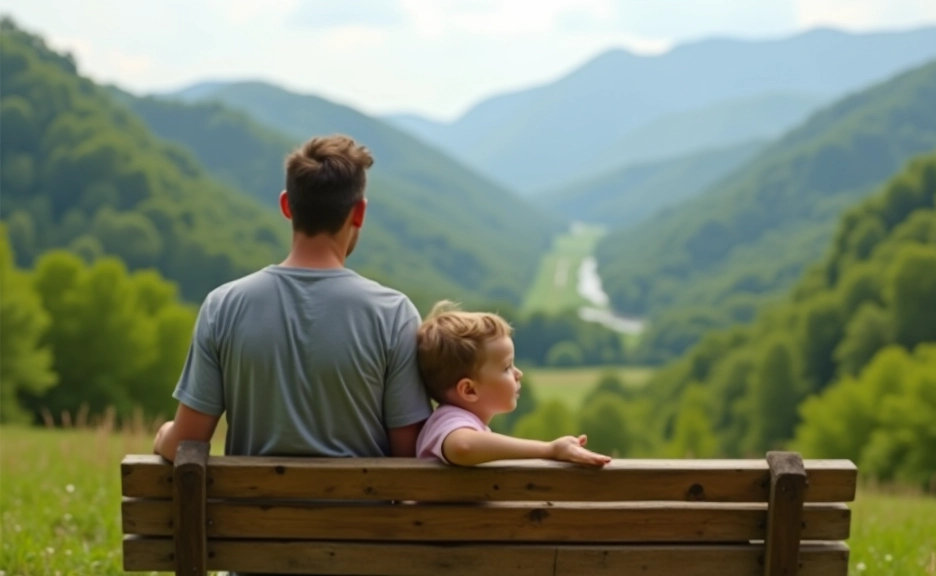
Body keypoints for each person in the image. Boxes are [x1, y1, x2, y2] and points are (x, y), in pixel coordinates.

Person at [152, 134, 433, 463]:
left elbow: (185, 443)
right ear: (359, 213)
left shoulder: (223, 307)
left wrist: (162, 435)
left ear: (286, 205)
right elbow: (410, 457)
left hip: (250, 515)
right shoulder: (394, 314)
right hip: (361, 515)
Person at [414, 300, 611, 467]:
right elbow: (462, 447)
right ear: (469, 389)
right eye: (507, 367)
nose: (519, 373)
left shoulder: (464, 423)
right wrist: (549, 449)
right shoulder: (449, 421)